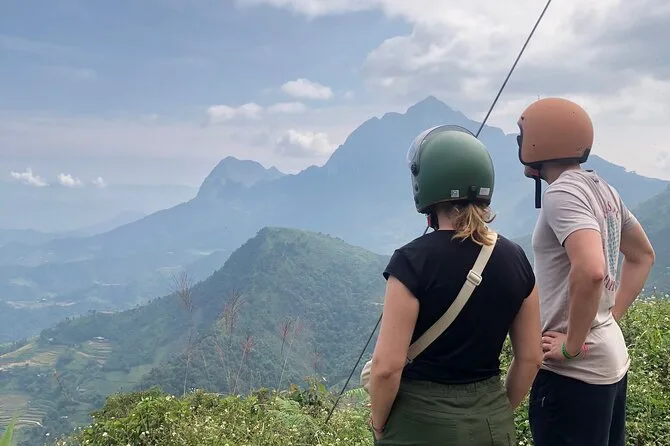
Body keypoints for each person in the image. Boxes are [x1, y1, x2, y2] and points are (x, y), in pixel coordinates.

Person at [367, 124, 543, 445]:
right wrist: (498, 412)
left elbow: (386, 368)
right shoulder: (516, 258)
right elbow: (531, 357)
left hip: (419, 426)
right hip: (493, 425)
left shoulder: (412, 261)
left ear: (425, 184)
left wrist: (379, 425)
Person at [515, 97, 656, 446]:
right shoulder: (602, 188)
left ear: (538, 141)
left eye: (522, 135)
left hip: (574, 375)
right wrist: (608, 318)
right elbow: (642, 256)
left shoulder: (561, 193)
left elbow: (592, 269)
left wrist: (572, 346)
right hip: (608, 361)